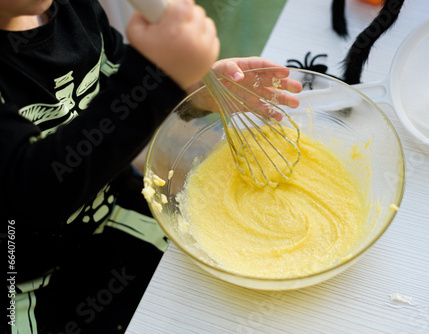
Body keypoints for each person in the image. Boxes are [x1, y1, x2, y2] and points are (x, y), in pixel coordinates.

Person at [0, 0, 300, 333]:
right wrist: (159, 75)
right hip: (26, 280)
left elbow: (113, 80)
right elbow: (33, 192)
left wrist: (190, 90)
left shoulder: (69, 7)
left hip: (113, 211)